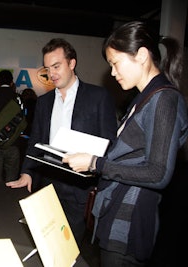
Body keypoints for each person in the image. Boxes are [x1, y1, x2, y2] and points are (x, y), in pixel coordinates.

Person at [63, 21, 188, 267]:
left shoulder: (163, 100)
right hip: (116, 215)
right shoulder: (142, 100)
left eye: (115, 63)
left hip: (129, 223)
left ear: (141, 55)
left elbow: (158, 173)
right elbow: (131, 155)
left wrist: (96, 163)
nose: (112, 72)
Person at [6, 38, 118, 245]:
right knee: (48, 244)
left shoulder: (98, 96)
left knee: (70, 247)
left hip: (81, 189)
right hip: (49, 186)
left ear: (72, 63)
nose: (52, 74)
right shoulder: (44, 102)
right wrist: (27, 172)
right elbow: (36, 141)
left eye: (56, 66)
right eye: (48, 68)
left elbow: (111, 143)